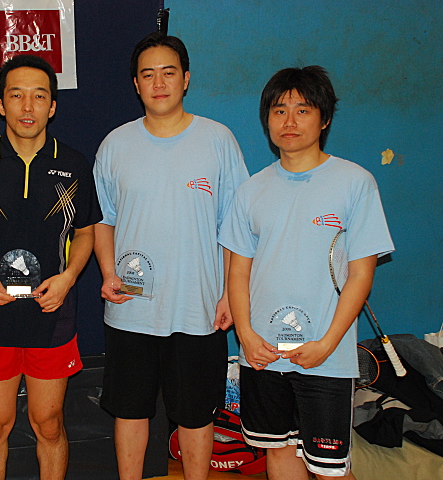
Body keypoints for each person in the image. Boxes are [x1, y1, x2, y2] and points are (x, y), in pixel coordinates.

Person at [219, 66, 395, 480]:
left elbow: (361, 276)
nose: (290, 121)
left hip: (325, 357)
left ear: (325, 118)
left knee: (330, 471)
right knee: (278, 453)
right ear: (267, 119)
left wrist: (328, 344)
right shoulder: (251, 190)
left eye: (303, 110)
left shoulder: (356, 183)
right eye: (279, 111)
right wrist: (247, 336)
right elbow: (238, 272)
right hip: (263, 355)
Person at [93, 32, 249, 480]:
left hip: (198, 308)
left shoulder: (218, 140)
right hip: (132, 307)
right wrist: (107, 273)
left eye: (168, 73)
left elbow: (237, 226)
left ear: (186, 79)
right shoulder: (115, 145)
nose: (158, 83)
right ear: (136, 84)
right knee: (130, 410)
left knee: (197, 415)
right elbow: (102, 220)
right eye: (148, 75)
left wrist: (229, 294)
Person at [0, 54, 102, 480]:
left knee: (48, 423)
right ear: (1, 104)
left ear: (53, 106)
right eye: (16, 95)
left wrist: (69, 278)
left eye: (39, 96)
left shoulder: (74, 164)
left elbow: (86, 232)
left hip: (52, 314)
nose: (27, 106)